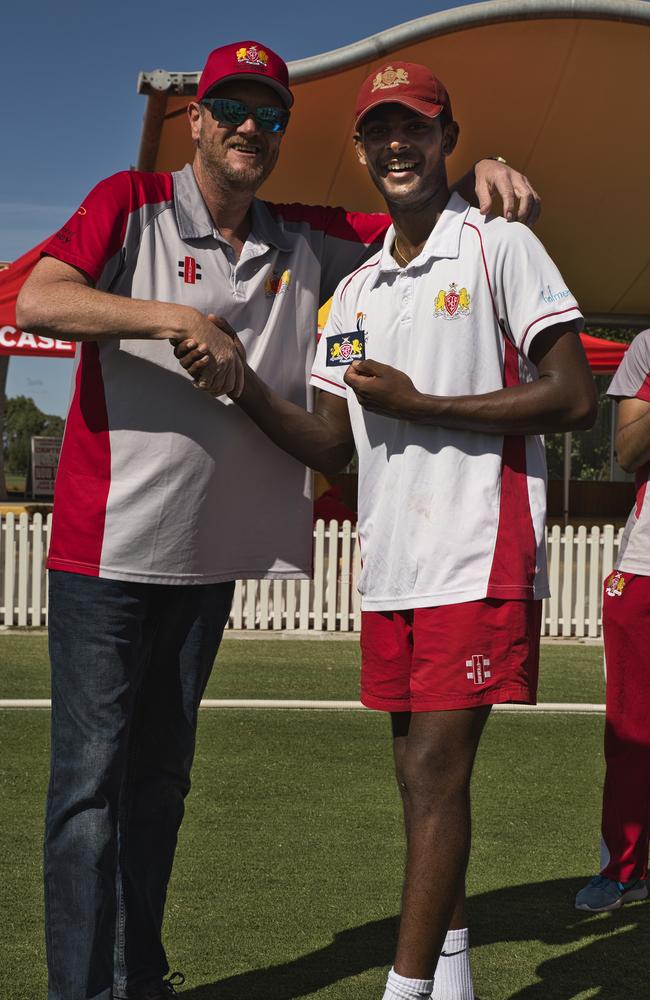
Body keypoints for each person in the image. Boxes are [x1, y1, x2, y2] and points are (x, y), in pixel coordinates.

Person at [16, 37, 541, 1000]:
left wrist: (485, 170)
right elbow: (41, 296)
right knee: (87, 794)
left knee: (160, 789)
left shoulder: (302, 235)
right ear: (198, 121)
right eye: (236, 109)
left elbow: (415, 208)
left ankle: (140, 978)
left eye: (273, 114)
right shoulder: (128, 202)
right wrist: (173, 319)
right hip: (104, 551)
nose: (254, 127)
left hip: (207, 558)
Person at [176, 61, 597, 1000]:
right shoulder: (357, 288)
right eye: (379, 131)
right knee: (415, 776)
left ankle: (403, 989)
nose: (396, 145)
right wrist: (242, 381)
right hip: (394, 565)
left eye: (416, 127)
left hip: (477, 548)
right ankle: (449, 979)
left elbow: (574, 396)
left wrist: (425, 405)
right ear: (363, 149)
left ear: (449, 140)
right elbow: (334, 442)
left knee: (440, 771)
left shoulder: (497, 246)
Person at [575, 331, 650, 913]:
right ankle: (624, 871)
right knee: (633, 733)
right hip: (645, 568)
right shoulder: (648, 346)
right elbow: (627, 453)